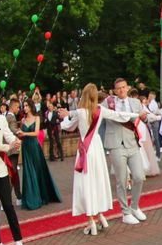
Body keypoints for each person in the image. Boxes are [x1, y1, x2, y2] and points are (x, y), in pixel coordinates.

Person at [60, 84, 134, 236]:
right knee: (97, 181)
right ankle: (100, 215)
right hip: (97, 147)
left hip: (85, 150)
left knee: (86, 183)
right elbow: (119, 116)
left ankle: (91, 221)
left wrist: (63, 119)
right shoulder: (100, 110)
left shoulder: (80, 112)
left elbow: (68, 127)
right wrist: (136, 115)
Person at [101, 78, 151, 226]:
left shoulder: (135, 102)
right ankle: (125, 212)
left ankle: (134, 207)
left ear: (128, 88)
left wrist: (145, 117)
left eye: (123, 87)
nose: (121, 90)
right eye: (119, 88)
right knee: (121, 180)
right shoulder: (108, 103)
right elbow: (97, 115)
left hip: (132, 143)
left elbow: (143, 119)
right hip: (116, 144)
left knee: (139, 177)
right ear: (115, 90)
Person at [0, 90, 26, 245]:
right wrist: (7, 147)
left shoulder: (0, 119)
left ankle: (18, 242)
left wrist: (15, 142)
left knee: (8, 205)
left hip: (0, 167)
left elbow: (8, 135)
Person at [17, 99, 61, 211]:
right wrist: (19, 135)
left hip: (35, 146)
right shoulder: (23, 120)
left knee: (38, 170)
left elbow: (36, 133)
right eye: (24, 106)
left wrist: (24, 133)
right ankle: (31, 198)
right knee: (28, 171)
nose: (25, 108)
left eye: (26, 106)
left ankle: (42, 195)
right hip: (26, 147)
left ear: (31, 106)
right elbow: (21, 135)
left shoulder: (36, 118)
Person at [4, 98, 23, 204]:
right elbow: (13, 130)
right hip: (12, 149)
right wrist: (22, 131)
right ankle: (7, 200)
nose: (18, 109)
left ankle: (19, 196)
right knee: (12, 173)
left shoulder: (9, 116)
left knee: (14, 173)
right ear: (13, 106)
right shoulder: (10, 117)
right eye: (17, 107)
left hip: (11, 149)